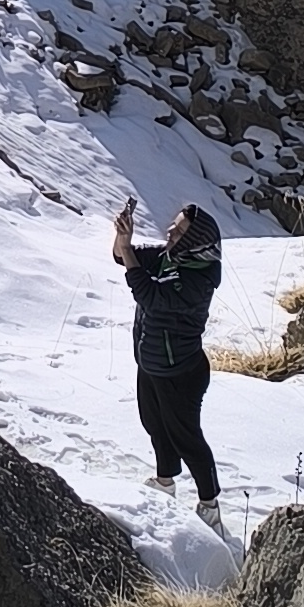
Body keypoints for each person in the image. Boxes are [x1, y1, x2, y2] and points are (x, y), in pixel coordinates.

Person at [112, 197, 226, 529]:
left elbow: (150, 294)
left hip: (180, 370)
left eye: (176, 234)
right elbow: (124, 257)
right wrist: (123, 238)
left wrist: (130, 252)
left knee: (186, 437)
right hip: (151, 362)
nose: (168, 235)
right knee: (156, 426)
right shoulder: (170, 256)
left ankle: (209, 503)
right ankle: (165, 481)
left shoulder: (198, 278)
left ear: (192, 243)